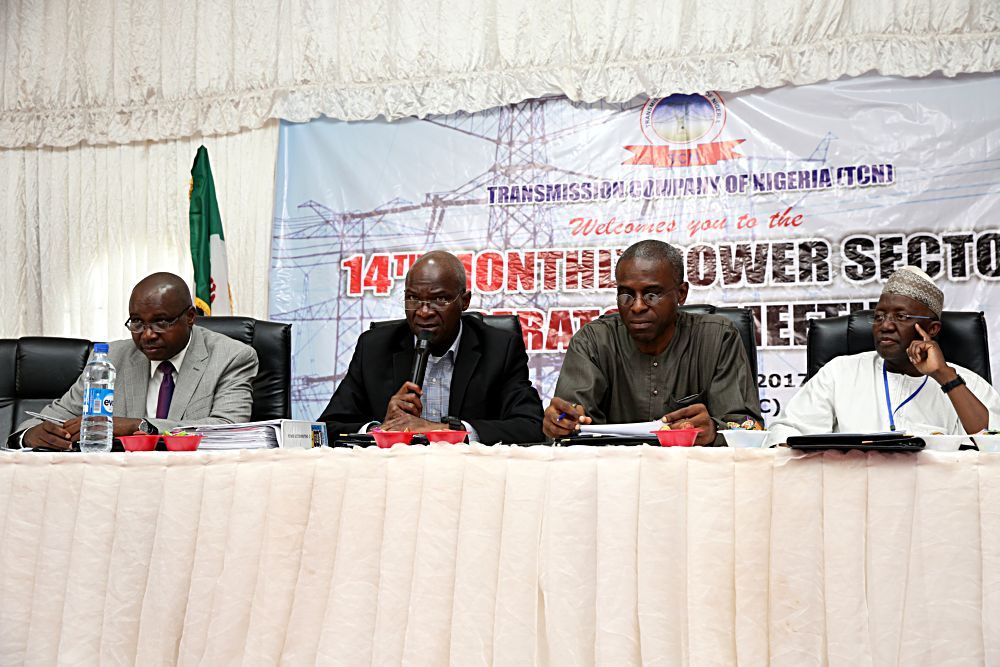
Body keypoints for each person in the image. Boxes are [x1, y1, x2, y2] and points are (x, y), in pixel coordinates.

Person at [6, 272, 259, 450]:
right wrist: (31, 436)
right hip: (117, 484)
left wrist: (140, 426)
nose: (147, 334)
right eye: (137, 322)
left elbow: (229, 430)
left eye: (161, 322)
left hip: (194, 482)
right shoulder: (111, 358)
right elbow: (49, 418)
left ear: (190, 317)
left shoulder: (232, 357)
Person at [543, 240, 761, 445]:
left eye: (651, 294)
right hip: (615, 474)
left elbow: (750, 430)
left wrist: (714, 430)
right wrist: (561, 423)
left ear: (681, 293)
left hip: (696, 476)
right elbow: (571, 425)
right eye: (626, 294)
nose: (637, 306)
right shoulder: (592, 342)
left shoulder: (718, 338)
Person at [319, 251, 545, 444]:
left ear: (464, 301)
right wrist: (381, 430)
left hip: (472, 476)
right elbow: (325, 428)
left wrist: (446, 432)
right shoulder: (375, 348)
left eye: (439, 300)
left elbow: (531, 426)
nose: (424, 311)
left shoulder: (499, 348)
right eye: (413, 298)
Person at [767, 266, 1000, 443]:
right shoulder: (840, 373)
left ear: (932, 329)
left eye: (901, 316)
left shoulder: (967, 383)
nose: (885, 326)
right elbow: (786, 432)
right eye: (879, 316)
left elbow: (991, 444)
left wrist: (946, 378)